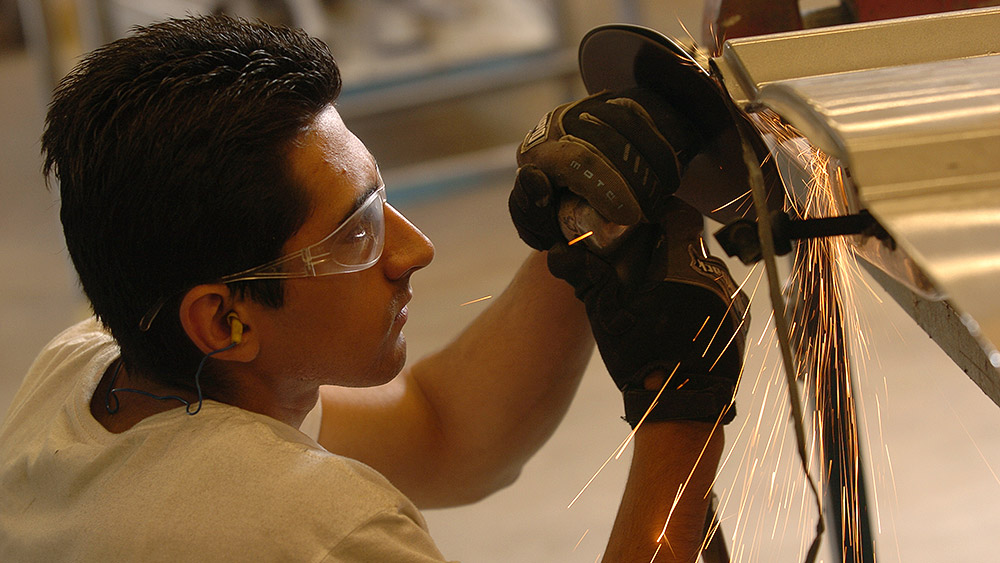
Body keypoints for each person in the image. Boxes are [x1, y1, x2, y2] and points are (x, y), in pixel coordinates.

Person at [0, 14, 746, 563]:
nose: (416, 248)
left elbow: (443, 431)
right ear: (225, 319)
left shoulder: (86, 362)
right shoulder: (317, 529)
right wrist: (681, 407)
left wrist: (582, 237)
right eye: (355, 233)